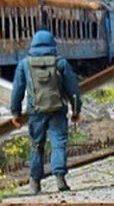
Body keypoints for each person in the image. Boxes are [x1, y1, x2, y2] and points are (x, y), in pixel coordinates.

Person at [10, 29, 82, 195]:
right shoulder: (60, 63)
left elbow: (17, 90)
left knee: (37, 145)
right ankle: (60, 178)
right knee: (59, 143)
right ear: (53, 44)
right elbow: (73, 90)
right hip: (57, 109)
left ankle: (35, 182)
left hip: (35, 111)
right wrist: (76, 109)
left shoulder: (25, 64)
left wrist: (15, 113)